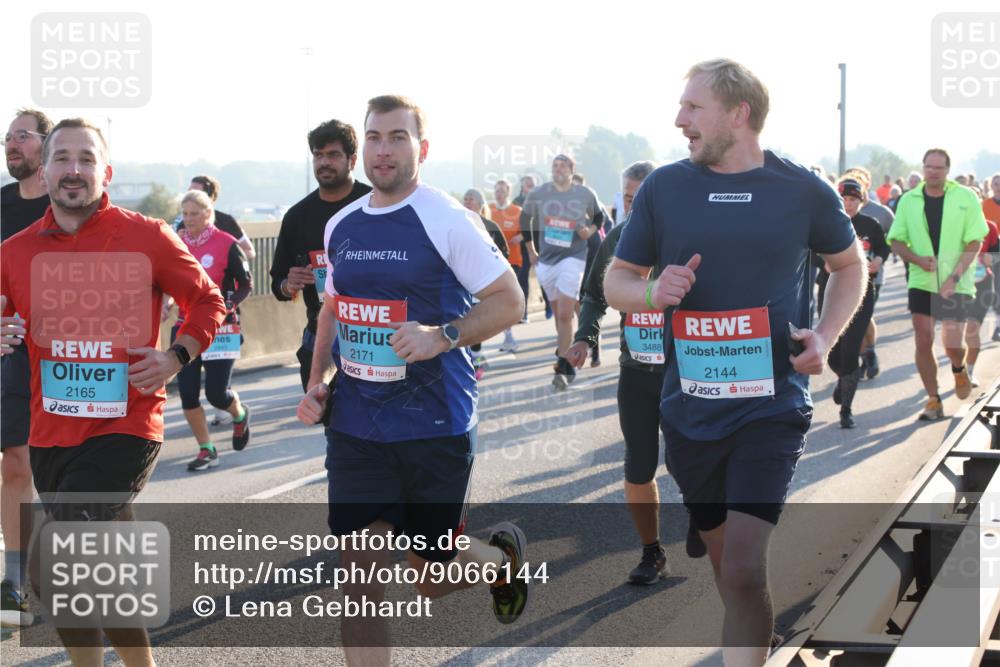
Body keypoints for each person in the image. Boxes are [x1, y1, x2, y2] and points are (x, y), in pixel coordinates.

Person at [604, 59, 865, 664]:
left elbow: (848, 266)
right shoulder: (665, 188)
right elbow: (619, 278)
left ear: (738, 113)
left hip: (769, 407)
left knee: (745, 571)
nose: (679, 121)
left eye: (693, 108)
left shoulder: (802, 189)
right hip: (689, 411)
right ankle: (752, 636)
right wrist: (650, 292)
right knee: (729, 574)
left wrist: (824, 335)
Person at [296, 95, 526, 666]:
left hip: (434, 424)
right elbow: (333, 308)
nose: (383, 149)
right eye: (374, 137)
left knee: (432, 577)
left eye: (397, 137)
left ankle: (498, 560)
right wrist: (318, 378)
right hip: (356, 427)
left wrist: (441, 336)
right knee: (358, 579)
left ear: (420, 149)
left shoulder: (448, 218)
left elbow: (510, 303)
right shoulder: (341, 224)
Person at [1, 118, 226, 666]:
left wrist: (176, 357)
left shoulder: (146, 235)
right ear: (46, 171)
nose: (72, 170)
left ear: (106, 171)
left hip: (125, 426)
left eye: (85, 159)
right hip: (52, 431)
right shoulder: (14, 251)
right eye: (62, 158)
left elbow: (208, 301)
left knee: (57, 561)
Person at [565, 159, 707, 584]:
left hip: (685, 372)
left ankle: (703, 513)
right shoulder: (623, 238)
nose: (633, 206)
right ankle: (653, 553)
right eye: (627, 198)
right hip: (637, 372)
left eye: (639, 198)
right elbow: (594, 294)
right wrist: (585, 337)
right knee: (638, 464)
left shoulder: (690, 236)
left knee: (692, 461)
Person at [886, 148, 988, 421]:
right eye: (929, 166)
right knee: (923, 337)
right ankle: (933, 399)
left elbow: (975, 241)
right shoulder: (909, 200)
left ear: (947, 170)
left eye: (939, 167)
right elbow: (896, 241)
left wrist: (953, 277)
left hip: (957, 280)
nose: (933, 171)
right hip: (921, 279)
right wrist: (916, 259)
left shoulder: (965, 197)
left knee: (953, 343)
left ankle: (958, 368)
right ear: (923, 167)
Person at [270, 120, 371, 392]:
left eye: (333, 155)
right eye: (318, 155)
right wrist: (287, 284)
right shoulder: (297, 216)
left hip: (373, 334)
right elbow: (277, 283)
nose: (324, 162)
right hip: (319, 338)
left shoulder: (375, 203)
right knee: (330, 422)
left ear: (352, 159)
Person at [0, 107, 52, 627]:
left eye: (21, 136)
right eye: (6, 137)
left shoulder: (73, 207)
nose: (10, 144)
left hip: (74, 363)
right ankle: (13, 582)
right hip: (13, 359)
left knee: (60, 473)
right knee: (14, 463)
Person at [169, 190, 253, 470]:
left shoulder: (226, 243)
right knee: (188, 393)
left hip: (221, 328)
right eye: (185, 214)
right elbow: (168, 279)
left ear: (208, 214)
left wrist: (228, 306)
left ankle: (238, 414)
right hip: (185, 327)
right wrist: (167, 301)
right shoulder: (176, 243)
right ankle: (207, 449)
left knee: (217, 394)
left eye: (194, 214)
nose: (188, 219)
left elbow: (246, 284)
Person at [521, 154, 607, 389]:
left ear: (572, 169)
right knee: (560, 314)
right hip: (547, 261)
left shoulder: (584, 193)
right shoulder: (540, 193)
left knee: (565, 314)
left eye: (562, 166)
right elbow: (525, 218)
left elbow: (599, 217)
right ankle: (567, 353)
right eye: (554, 166)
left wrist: (589, 231)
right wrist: (531, 250)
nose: (558, 170)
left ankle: (564, 366)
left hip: (573, 257)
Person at [818, 178, 889, 428]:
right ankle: (843, 377)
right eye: (844, 199)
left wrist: (879, 260)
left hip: (861, 291)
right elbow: (809, 251)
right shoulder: (826, 223)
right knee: (831, 350)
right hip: (829, 290)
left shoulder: (870, 224)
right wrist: (823, 263)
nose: (848, 204)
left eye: (853, 200)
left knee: (850, 350)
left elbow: (882, 247)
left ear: (862, 201)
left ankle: (846, 409)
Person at [461, 187, 510, 380]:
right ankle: (471, 359)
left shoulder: (490, 226)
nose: (467, 201)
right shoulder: (457, 223)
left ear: (481, 204)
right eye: (466, 198)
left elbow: (504, 254)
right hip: (462, 281)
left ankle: (476, 358)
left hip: (482, 282)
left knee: (476, 320)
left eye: (471, 198)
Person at [964, 217, 999, 386]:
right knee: (952, 333)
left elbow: (996, 254)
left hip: (982, 284)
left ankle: (968, 372)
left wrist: (990, 259)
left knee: (971, 329)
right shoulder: (949, 226)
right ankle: (958, 366)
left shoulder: (989, 227)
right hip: (956, 285)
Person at [489, 179, 524, 351]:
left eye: (502, 191)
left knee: (507, 300)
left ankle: (509, 336)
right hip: (492, 262)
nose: (499, 194)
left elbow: (527, 232)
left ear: (508, 193)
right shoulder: (489, 210)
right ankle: (508, 336)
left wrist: (521, 237)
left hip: (513, 261)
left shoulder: (517, 211)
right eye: (497, 190)